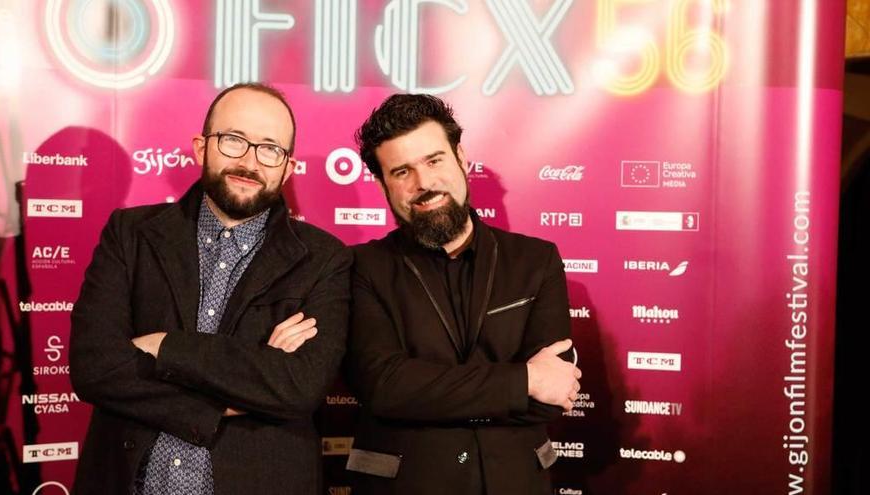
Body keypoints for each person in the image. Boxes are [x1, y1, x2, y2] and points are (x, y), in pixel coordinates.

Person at [69, 83, 351, 494]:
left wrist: (166, 346)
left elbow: (298, 386)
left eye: (270, 148)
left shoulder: (324, 259)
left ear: (287, 168)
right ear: (201, 147)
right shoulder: (130, 233)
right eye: (234, 139)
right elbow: (95, 367)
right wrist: (236, 390)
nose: (250, 161)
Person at [345, 94, 581, 495]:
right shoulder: (360, 268)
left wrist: (429, 391)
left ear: (460, 157)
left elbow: (550, 397)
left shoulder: (536, 261)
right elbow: (384, 388)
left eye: (434, 160)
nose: (423, 183)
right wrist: (523, 379)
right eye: (402, 171)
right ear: (383, 183)